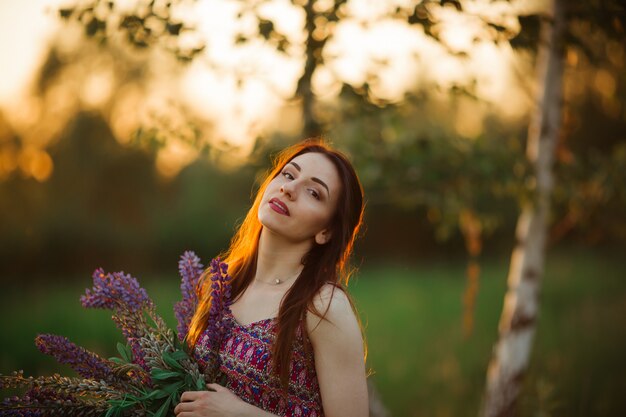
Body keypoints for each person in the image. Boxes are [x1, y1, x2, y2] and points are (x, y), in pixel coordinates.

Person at [174, 139, 369, 417]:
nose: (288, 189)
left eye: (313, 192)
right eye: (288, 174)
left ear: (326, 232)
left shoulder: (324, 307)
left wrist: (239, 414)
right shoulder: (220, 284)